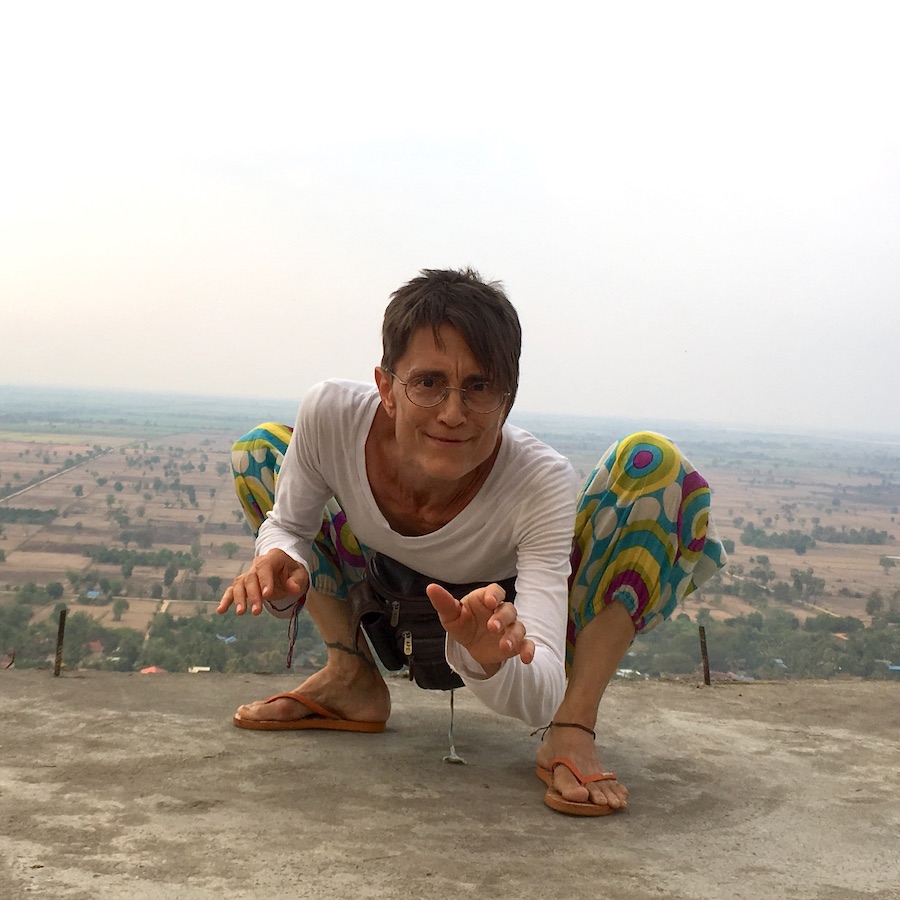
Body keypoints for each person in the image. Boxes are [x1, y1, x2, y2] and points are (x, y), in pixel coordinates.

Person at [218, 267, 726, 816]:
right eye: (429, 382)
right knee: (260, 449)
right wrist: (281, 557)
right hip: (380, 588)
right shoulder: (330, 417)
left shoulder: (539, 481)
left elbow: (540, 687)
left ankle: (574, 727)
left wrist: (490, 658)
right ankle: (349, 675)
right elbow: (289, 526)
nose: (454, 413)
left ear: (507, 400)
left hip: (502, 616)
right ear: (386, 387)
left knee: (655, 464)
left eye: (479, 386)